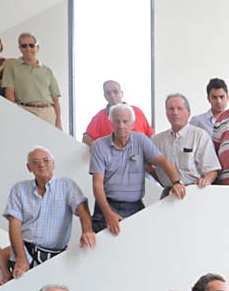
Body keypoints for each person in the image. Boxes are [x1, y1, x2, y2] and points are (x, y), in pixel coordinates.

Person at [89, 104, 185, 237]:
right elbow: (97, 184)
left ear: (132, 124)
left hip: (135, 207)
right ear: (111, 122)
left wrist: (176, 183)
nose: (121, 125)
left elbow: (163, 162)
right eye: (117, 121)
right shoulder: (99, 146)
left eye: (125, 121)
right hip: (106, 207)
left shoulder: (141, 140)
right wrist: (108, 213)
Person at [4, 147, 95, 277]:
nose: (41, 164)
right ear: (29, 167)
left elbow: (82, 209)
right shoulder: (19, 189)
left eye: (46, 160)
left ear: (53, 164)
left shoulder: (67, 185)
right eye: (35, 162)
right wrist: (21, 258)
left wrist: (87, 231)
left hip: (55, 257)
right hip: (25, 253)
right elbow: (14, 225)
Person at [151, 94, 219, 190]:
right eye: (171, 109)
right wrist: (160, 180)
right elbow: (146, 165)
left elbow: (212, 170)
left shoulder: (200, 136)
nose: (175, 112)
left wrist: (206, 181)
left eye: (179, 108)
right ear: (166, 113)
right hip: (168, 192)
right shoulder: (157, 140)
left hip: (194, 191)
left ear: (188, 112)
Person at [2, 33, 62, 129]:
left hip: (48, 113)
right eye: (24, 46)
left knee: (47, 143)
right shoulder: (12, 66)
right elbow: (9, 95)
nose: (28, 48)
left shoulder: (47, 70)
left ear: (37, 47)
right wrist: (13, 116)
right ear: (20, 48)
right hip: (25, 110)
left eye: (31, 45)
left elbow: (55, 99)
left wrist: (58, 121)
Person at [82, 80, 154, 147]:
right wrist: (100, 152)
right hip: (113, 159)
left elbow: (150, 135)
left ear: (121, 94)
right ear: (105, 97)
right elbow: (86, 138)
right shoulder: (99, 117)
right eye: (108, 93)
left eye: (115, 91)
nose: (112, 95)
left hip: (139, 158)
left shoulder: (137, 111)